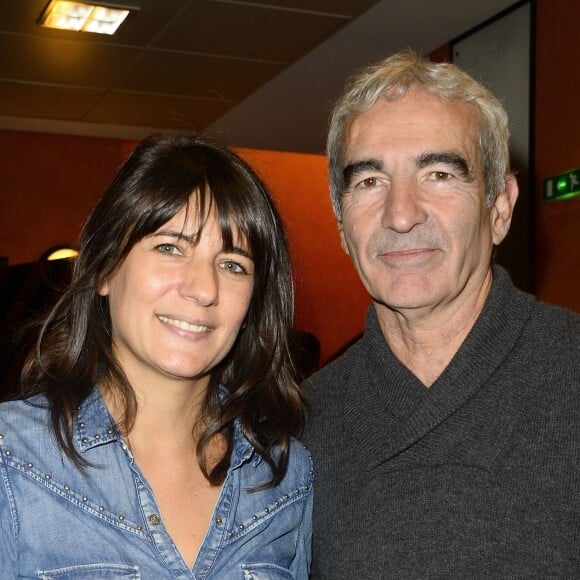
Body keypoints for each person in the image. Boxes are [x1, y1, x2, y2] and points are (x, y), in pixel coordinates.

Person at [302, 50, 579, 578]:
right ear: (341, 224)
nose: (400, 213)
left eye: (439, 173)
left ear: (500, 209)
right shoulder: (299, 428)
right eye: (369, 181)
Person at [0, 135, 313, 578]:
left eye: (232, 264)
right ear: (106, 269)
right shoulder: (12, 457)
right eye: (170, 248)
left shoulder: (285, 475)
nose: (203, 288)